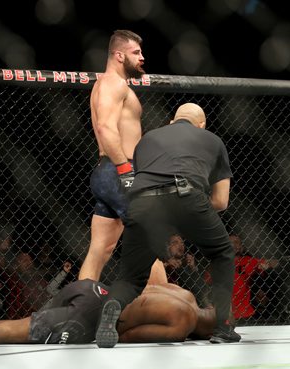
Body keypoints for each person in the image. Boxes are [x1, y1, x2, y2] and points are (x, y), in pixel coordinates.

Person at [95, 102, 241, 347]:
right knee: (222, 252)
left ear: (172, 121)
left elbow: (146, 181)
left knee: (131, 277)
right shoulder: (212, 140)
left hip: (142, 203)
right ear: (201, 125)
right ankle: (223, 327)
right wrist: (189, 215)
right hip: (187, 196)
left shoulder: (147, 139)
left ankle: (113, 307)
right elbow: (221, 201)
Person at [0, 279, 216, 345]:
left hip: (90, 287)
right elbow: (124, 334)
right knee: (9, 334)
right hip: (91, 314)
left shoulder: (184, 294)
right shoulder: (183, 322)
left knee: (21, 325)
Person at [78, 29, 145, 281]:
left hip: (110, 171)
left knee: (101, 249)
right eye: (135, 52)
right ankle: (164, 305)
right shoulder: (113, 83)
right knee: (148, 234)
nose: (141, 57)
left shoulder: (108, 85)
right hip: (119, 169)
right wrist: (125, 170)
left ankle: (79, 304)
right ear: (119, 55)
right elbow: (105, 127)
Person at [164, 234, 211, 308]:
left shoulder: (187, 265)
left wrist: (193, 269)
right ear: (167, 247)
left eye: (182, 243)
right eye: (175, 242)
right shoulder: (161, 264)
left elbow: (202, 290)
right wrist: (166, 264)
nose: (180, 245)